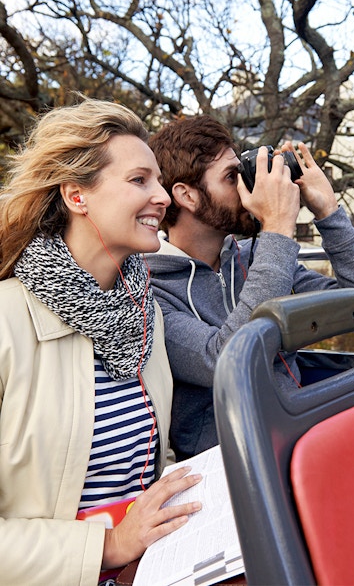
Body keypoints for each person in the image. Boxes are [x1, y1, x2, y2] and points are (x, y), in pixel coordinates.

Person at [0, 97, 203, 586]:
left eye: (158, 179)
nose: (164, 197)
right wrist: (110, 545)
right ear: (76, 196)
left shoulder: (143, 312)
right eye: (139, 180)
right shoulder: (7, 320)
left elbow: (153, 462)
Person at [147, 115, 354, 461]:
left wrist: (329, 213)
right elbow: (225, 360)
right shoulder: (153, 289)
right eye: (232, 177)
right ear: (187, 196)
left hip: (302, 431)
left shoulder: (257, 256)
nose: (248, 189)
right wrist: (277, 228)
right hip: (229, 462)